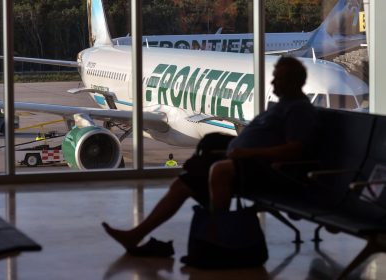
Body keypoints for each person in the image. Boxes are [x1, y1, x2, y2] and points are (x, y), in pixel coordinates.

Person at [102, 56, 319, 252]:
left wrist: (246, 152)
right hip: (244, 161)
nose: (273, 83)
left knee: (216, 170)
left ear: (293, 82)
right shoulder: (283, 105)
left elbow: (294, 150)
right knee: (183, 183)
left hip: (259, 170)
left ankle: (217, 238)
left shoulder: (299, 110)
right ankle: (137, 234)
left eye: (278, 79)